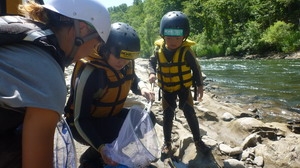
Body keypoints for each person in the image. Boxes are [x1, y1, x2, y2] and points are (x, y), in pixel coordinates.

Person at [0, 0, 111, 167]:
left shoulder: (21, 30)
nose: (89, 54)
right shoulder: (47, 75)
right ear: (82, 29)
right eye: (95, 45)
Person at [64, 22, 156, 167]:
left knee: (147, 119)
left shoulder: (125, 63)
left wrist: (142, 87)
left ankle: (110, 150)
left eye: (127, 59)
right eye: (118, 57)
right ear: (106, 49)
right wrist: (101, 147)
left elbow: (132, 80)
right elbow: (80, 120)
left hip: (108, 116)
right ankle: (91, 157)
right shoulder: (91, 73)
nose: (123, 63)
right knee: (118, 129)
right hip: (82, 125)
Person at [148, 11, 210, 155]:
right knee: (167, 115)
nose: (173, 42)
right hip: (167, 90)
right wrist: (151, 73)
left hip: (183, 88)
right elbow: (151, 62)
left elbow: (196, 68)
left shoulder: (186, 51)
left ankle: (198, 140)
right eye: (169, 37)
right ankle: (167, 143)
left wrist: (199, 85)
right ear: (163, 35)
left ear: (184, 36)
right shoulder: (158, 50)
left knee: (189, 112)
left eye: (177, 37)